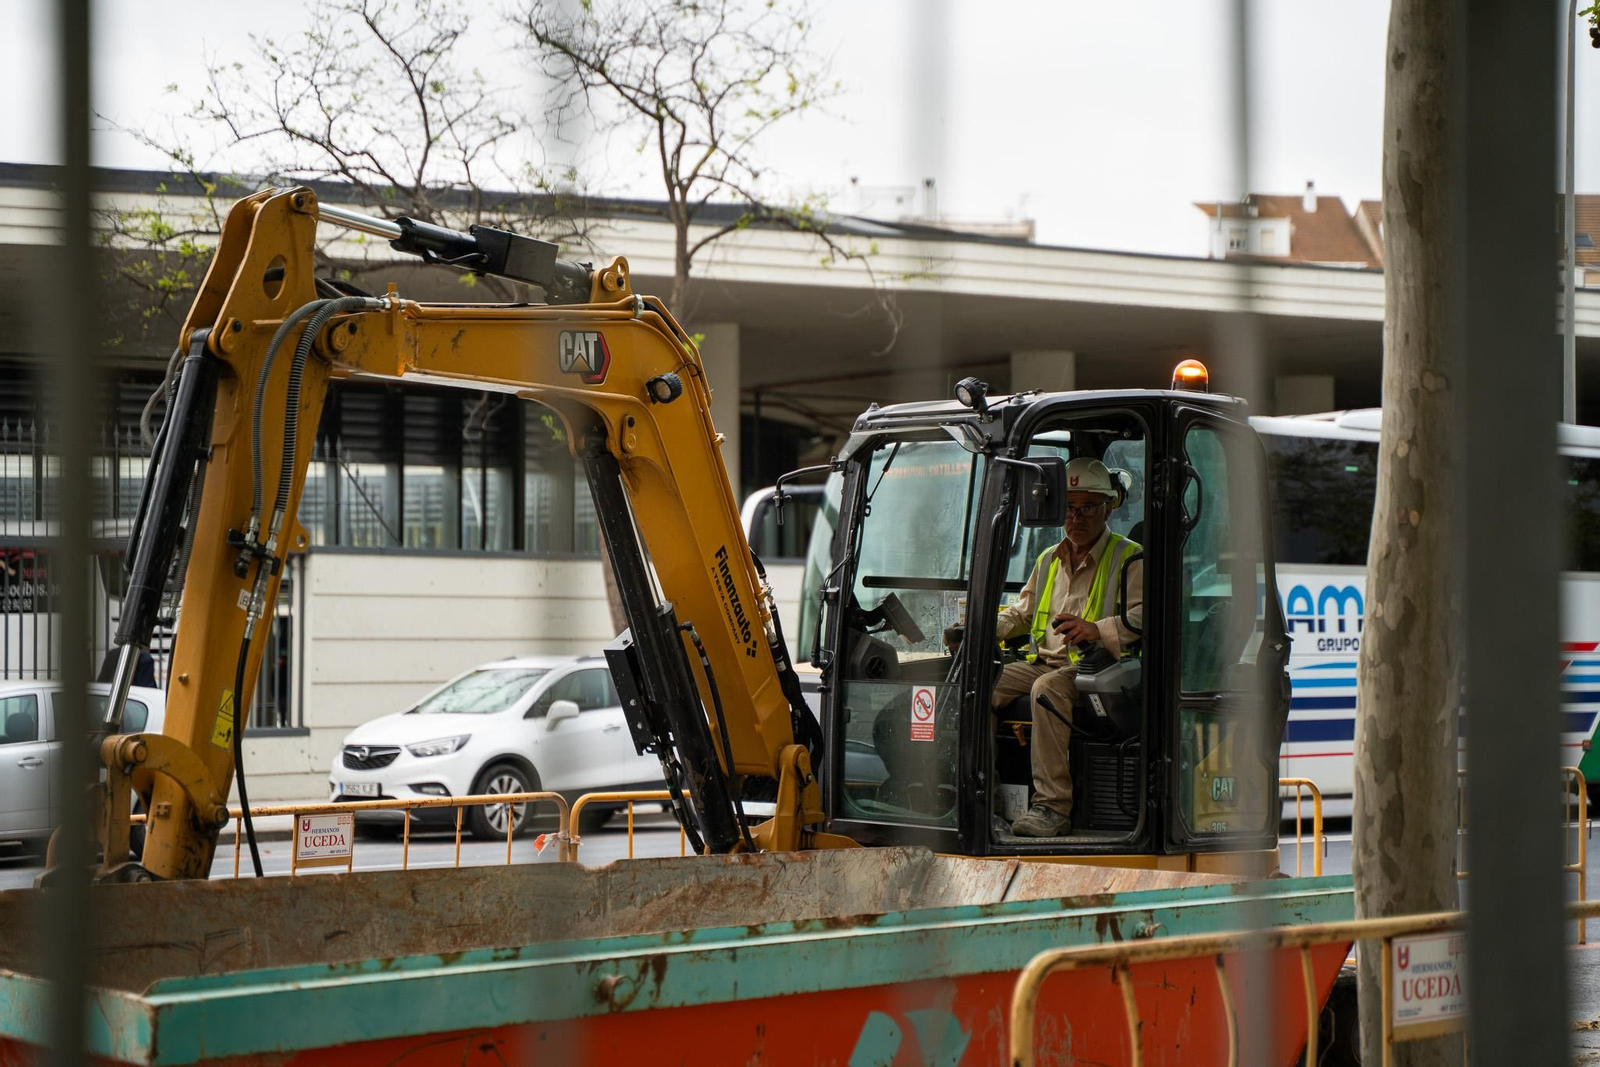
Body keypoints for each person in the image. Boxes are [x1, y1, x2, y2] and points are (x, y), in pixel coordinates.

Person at [980, 457, 1143, 837]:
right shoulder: (1047, 559)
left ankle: (1052, 808)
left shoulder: (1129, 557)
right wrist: (981, 628)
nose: (1077, 517)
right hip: (1045, 661)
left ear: (1108, 507)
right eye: (1069, 508)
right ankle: (983, 794)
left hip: (1097, 669)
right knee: (982, 682)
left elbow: (1145, 615)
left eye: (1087, 507)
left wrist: (1097, 630)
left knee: (1046, 691)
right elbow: (1021, 612)